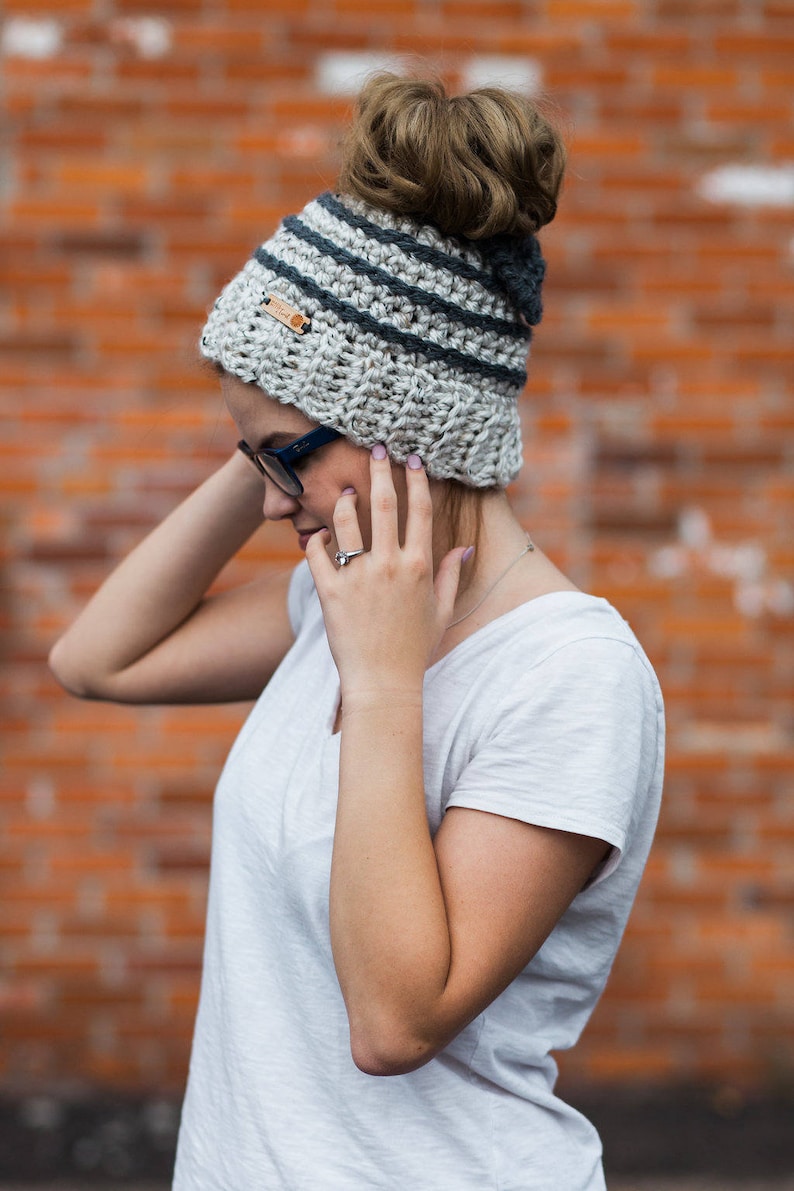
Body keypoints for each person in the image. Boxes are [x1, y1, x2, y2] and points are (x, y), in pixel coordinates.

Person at [49, 73, 665, 1191]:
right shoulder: (332, 601)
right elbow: (98, 662)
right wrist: (267, 436)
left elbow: (394, 1021)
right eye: (252, 460)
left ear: (410, 435)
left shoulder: (573, 675)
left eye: (286, 459)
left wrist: (384, 684)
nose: (274, 504)